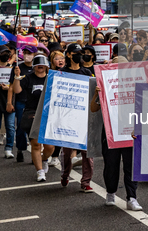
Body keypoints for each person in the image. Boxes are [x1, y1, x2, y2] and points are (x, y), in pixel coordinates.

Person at [90, 55, 142, 211]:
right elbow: (93, 108)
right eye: (117, 67)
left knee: (131, 166)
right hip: (110, 133)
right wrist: (96, 94)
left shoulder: (136, 83)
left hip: (130, 132)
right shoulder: (105, 83)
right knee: (111, 166)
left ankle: (132, 197)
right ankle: (110, 192)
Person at [12, 55, 55, 181]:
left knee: (50, 146)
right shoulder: (28, 78)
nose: (40, 67)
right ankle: (40, 171)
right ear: (34, 66)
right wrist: (16, 77)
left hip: (49, 113)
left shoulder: (52, 78)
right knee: (36, 144)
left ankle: (44, 159)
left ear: (46, 66)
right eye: (37, 65)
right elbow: (17, 90)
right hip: (32, 112)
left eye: (42, 65)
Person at [59, 43, 94, 191]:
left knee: (87, 152)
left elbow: (93, 91)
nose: (79, 55)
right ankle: (65, 174)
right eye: (76, 52)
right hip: (68, 118)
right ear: (69, 55)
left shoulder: (87, 73)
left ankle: (86, 182)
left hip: (84, 117)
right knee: (68, 152)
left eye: (81, 52)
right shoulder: (61, 73)